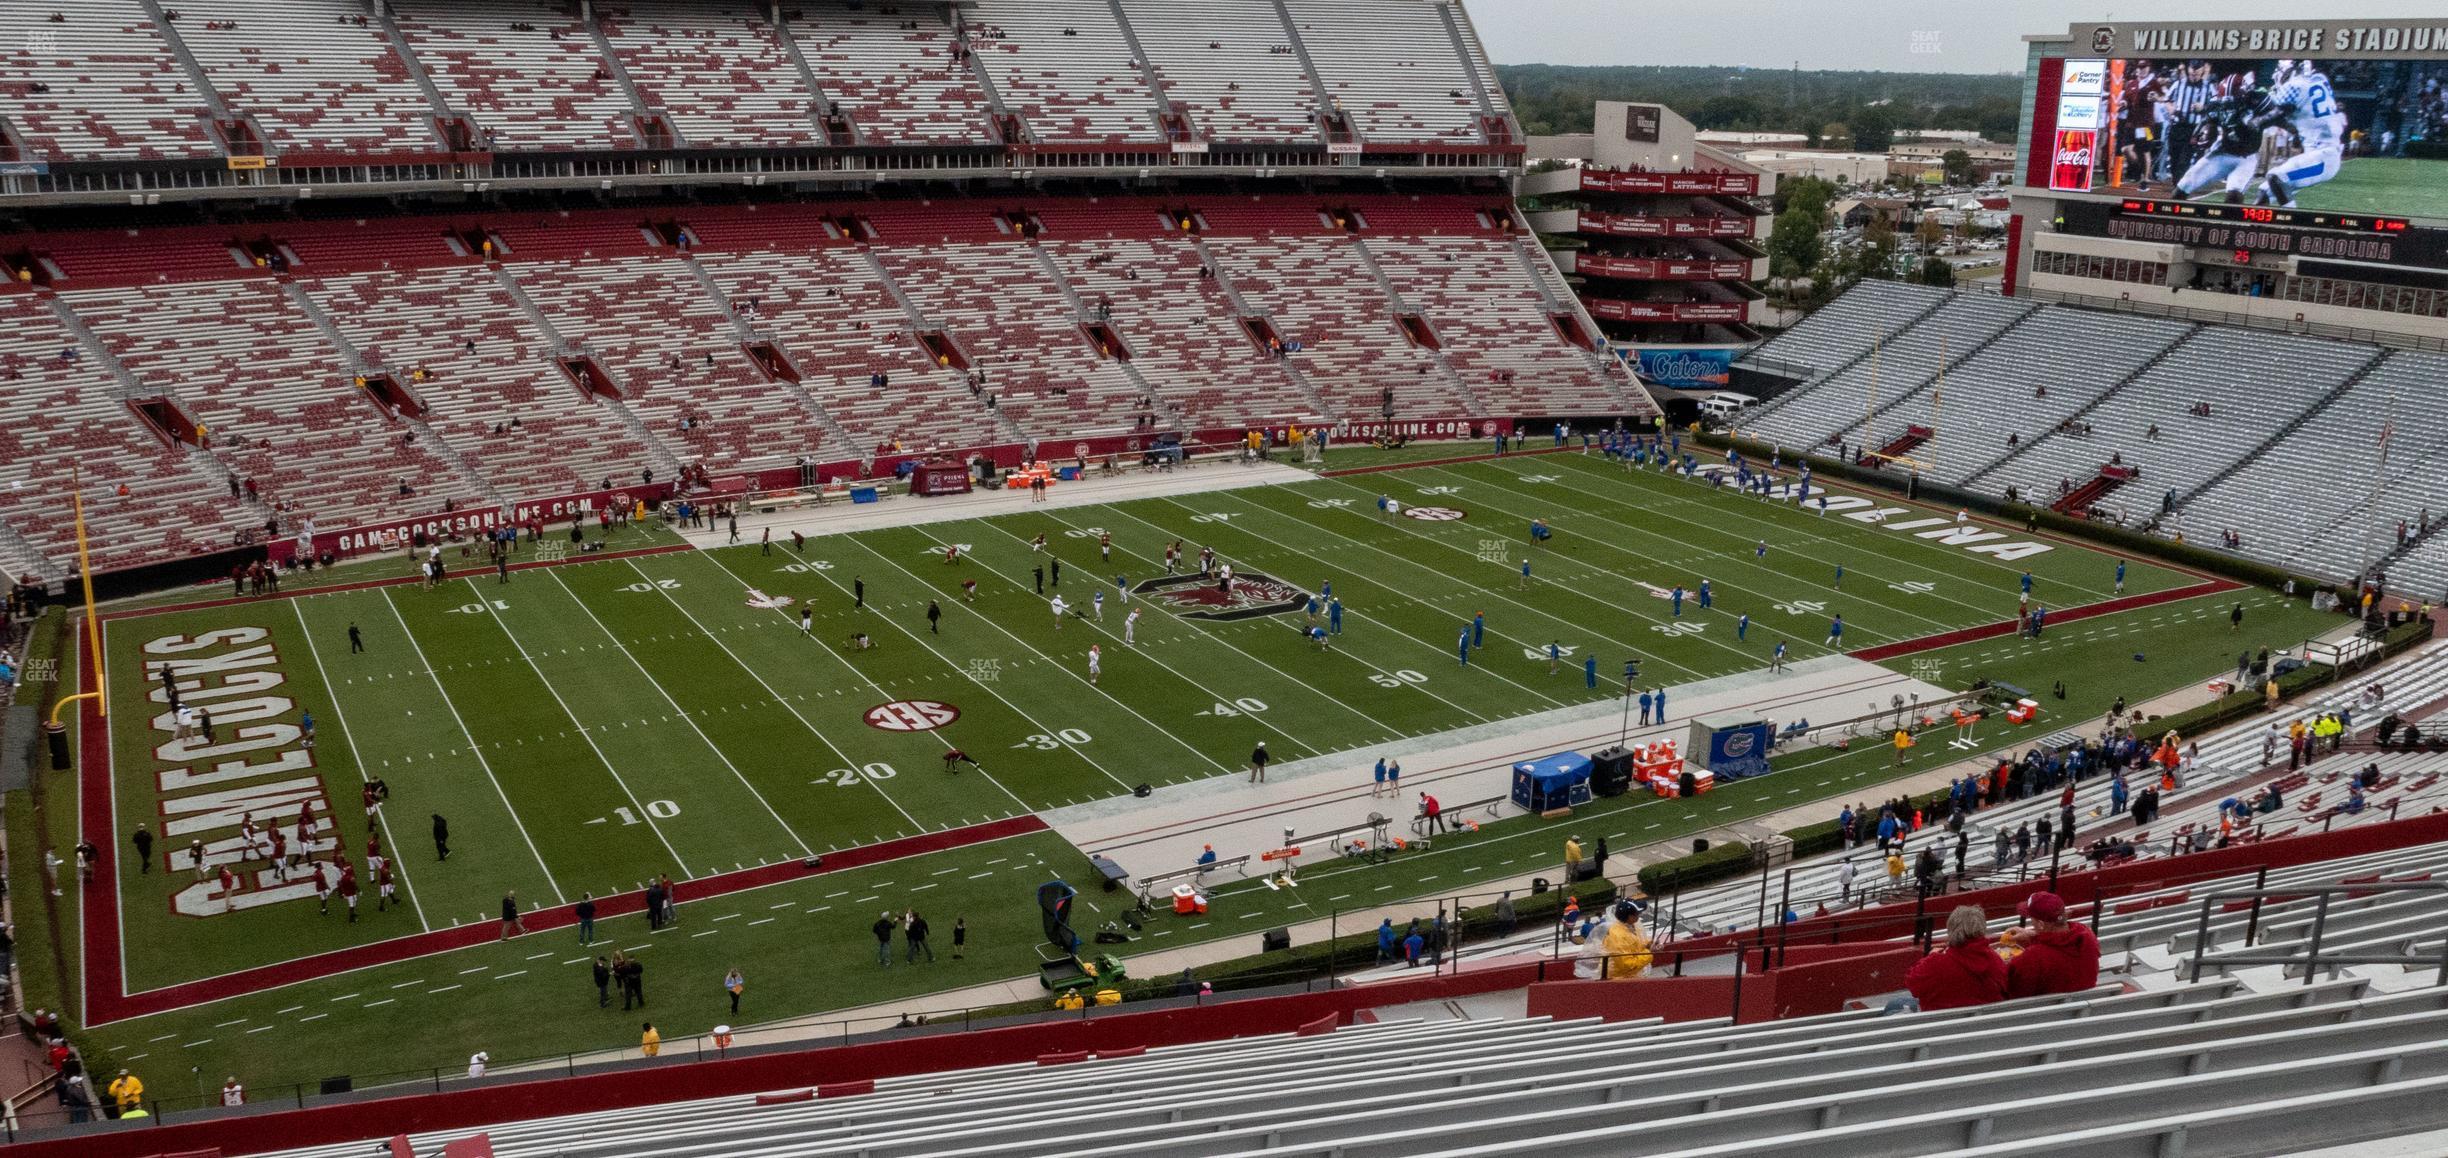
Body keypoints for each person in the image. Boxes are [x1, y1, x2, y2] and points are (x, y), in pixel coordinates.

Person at [1903, 905, 2009, 1012]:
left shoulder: (1936, 963)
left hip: (1941, 1024)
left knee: (1895, 1005)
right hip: (1989, 1023)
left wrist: (1930, 957)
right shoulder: (1994, 960)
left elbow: (1912, 985)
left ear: (1951, 928)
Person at [2003, 891, 2101, 998]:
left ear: (2040, 924)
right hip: (2081, 1007)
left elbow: (2011, 992)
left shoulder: (2033, 957)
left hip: (2044, 1012)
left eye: (2032, 919)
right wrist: (2034, 936)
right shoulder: (2088, 937)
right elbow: (2060, 948)